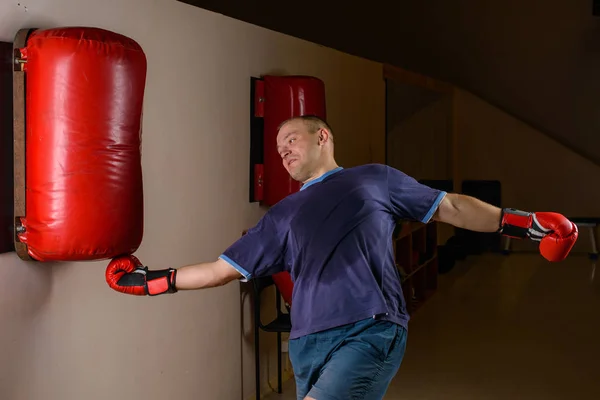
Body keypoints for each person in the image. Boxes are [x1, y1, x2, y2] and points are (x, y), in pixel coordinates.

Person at [106, 115, 578, 400]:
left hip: (369, 327)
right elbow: (219, 270)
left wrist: (522, 222)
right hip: (307, 342)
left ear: (322, 137)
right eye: (278, 149)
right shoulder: (282, 214)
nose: (284, 151)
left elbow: (450, 206)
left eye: (291, 138)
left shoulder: (374, 179)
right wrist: (150, 280)